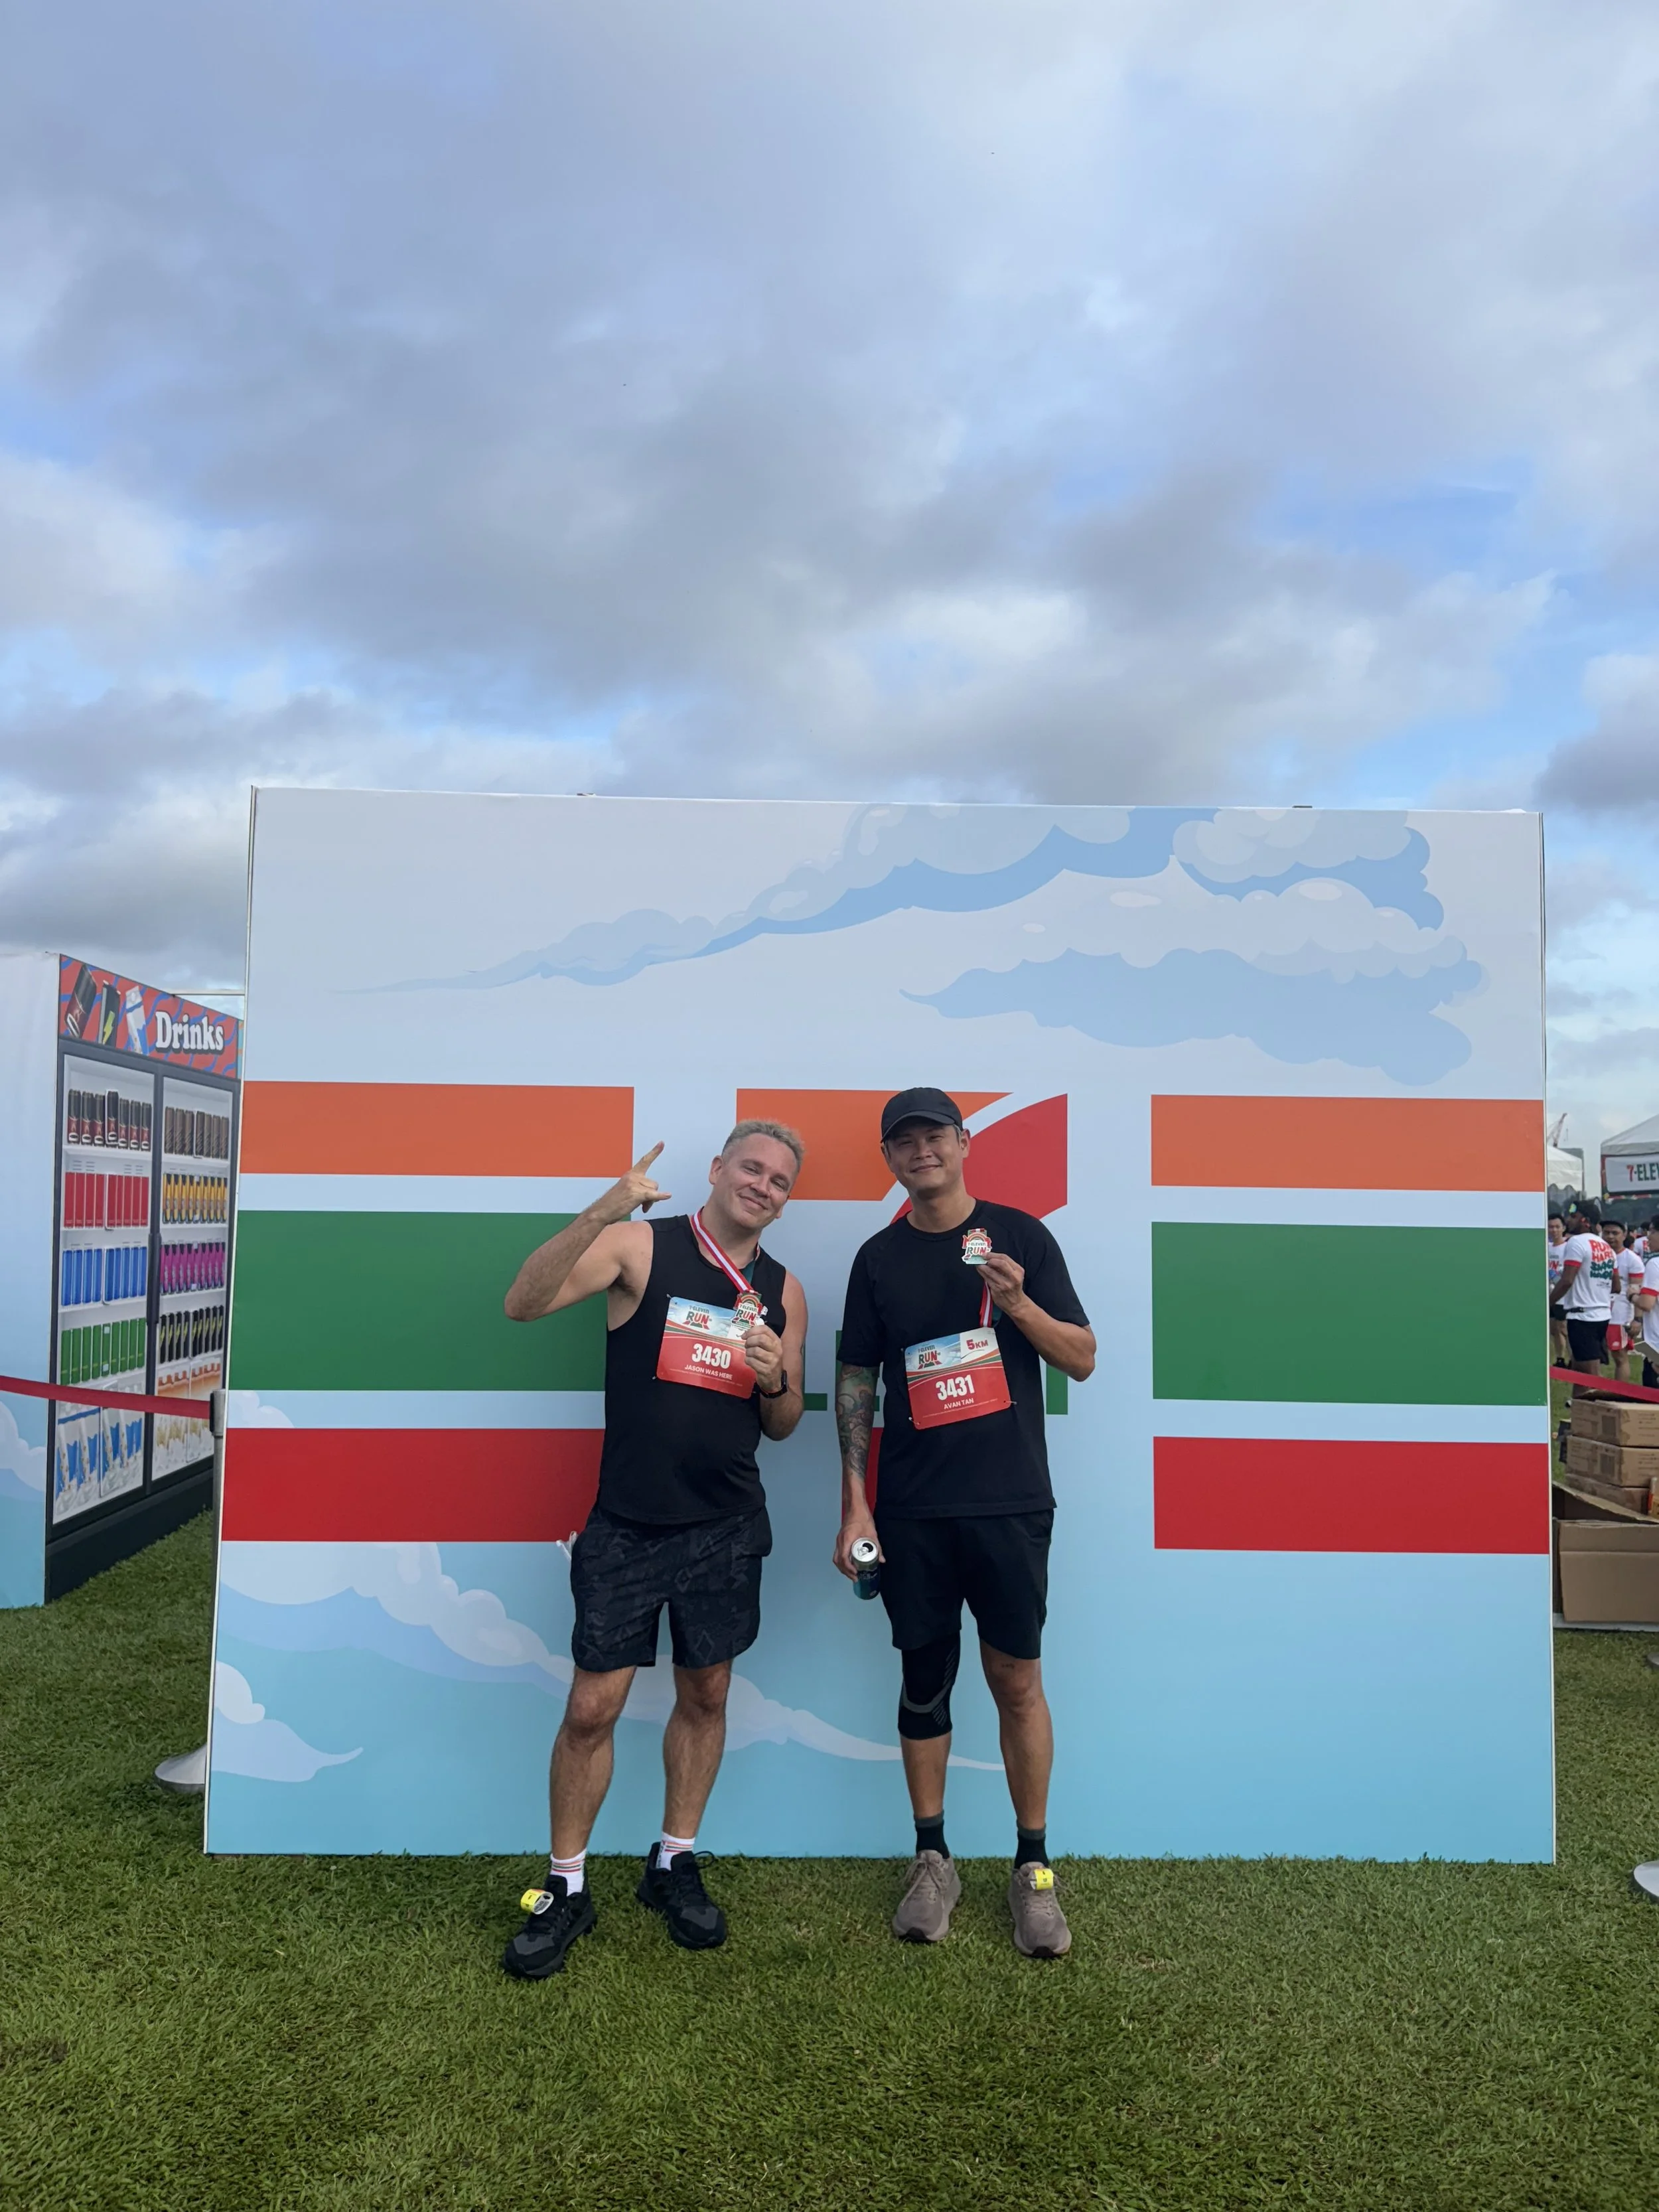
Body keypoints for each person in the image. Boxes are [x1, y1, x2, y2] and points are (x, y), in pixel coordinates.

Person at [498, 1122, 808, 1977]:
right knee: (590, 1709)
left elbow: (784, 1423)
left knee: (707, 1695)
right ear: (717, 1170)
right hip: (629, 1524)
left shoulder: (783, 1288)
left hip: (727, 1528)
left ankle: (673, 1861)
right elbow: (523, 1302)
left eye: (779, 1180)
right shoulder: (640, 1246)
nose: (762, 1185)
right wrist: (604, 1207)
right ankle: (565, 1885)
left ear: (785, 1201)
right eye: (751, 1168)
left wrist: (775, 1376)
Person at [834, 1087, 1096, 1960]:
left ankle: (1033, 1869)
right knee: (923, 1681)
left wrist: (1016, 1303)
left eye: (935, 1136)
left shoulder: (1022, 1237)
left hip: (1010, 1502)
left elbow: (1082, 1358)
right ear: (890, 1159)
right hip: (911, 1508)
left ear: (964, 1142)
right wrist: (854, 1501)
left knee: (1017, 1680)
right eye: (904, 1141)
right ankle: (932, 1858)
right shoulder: (877, 1259)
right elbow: (856, 1381)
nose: (922, 1151)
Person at [1555, 1199, 1615, 1376]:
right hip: (1602, 1313)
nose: (1568, 1220)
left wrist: (1547, 1303)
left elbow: (1567, 1281)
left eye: (1574, 1216)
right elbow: (1616, 1286)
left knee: (1590, 1376)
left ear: (1585, 1221)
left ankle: (1600, 1397)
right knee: (1580, 1373)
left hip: (1583, 1316)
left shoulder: (1577, 1242)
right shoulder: (1605, 1246)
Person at [1608, 1221, 1642, 1385]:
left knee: (1619, 1356)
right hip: (1598, 1311)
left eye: (1615, 1233)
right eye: (1607, 1233)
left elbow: (1637, 1290)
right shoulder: (1599, 1254)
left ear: (1624, 1235)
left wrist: (1637, 1319)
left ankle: (1619, 1393)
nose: (1610, 1237)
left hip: (1620, 1315)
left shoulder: (1632, 1259)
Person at [1547, 1213, 1569, 1368]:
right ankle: (1560, 1358)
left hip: (1562, 1294)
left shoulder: (1568, 1247)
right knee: (1554, 1328)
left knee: (1563, 1328)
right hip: (1548, 1293)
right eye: (1550, 1227)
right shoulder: (1546, 1247)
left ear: (1563, 1228)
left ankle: (1572, 1358)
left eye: (1557, 1227)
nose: (1554, 1230)